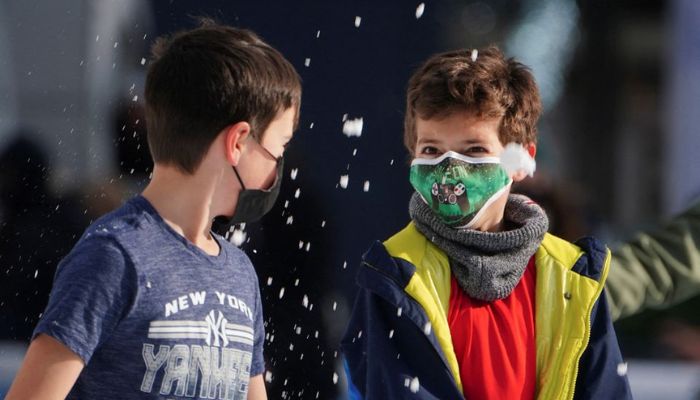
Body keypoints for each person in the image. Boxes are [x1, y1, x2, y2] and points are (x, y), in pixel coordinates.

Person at [6, 19, 301, 400]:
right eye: (278, 149)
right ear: (238, 142)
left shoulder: (239, 274)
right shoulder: (114, 257)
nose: (278, 169)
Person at [341, 47, 632, 399]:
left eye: (474, 150)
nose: (451, 170)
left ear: (521, 159)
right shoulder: (394, 274)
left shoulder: (573, 276)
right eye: (431, 150)